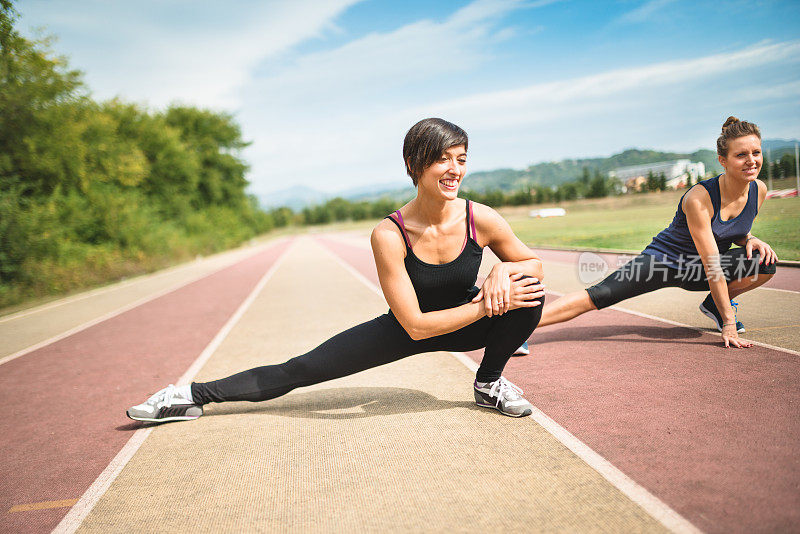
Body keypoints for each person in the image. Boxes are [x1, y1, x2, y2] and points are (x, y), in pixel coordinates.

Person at [127, 118, 546, 423]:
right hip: (406, 328)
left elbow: (533, 264)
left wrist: (502, 274)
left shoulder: (480, 218)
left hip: (464, 323)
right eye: (442, 159)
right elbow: (416, 326)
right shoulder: (389, 233)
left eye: (461, 159)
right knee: (301, 369)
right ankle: (187, 396)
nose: (455, 170)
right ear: (413, 164)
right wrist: (483, 308)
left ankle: (488, 383)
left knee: (529, 287)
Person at [533, 116, 777, 348]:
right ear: (723, 160)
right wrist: (729, 324)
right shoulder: (699, 198)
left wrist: (750, 238)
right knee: (600, 295)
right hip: (663, 262)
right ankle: (520, 329)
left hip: (698, 270)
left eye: (756, 152)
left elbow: (728, 231)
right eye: (741, 155)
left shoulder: (759, 191)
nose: (751, 160)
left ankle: (714, 304)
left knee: (765, 262)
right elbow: (713, 263)